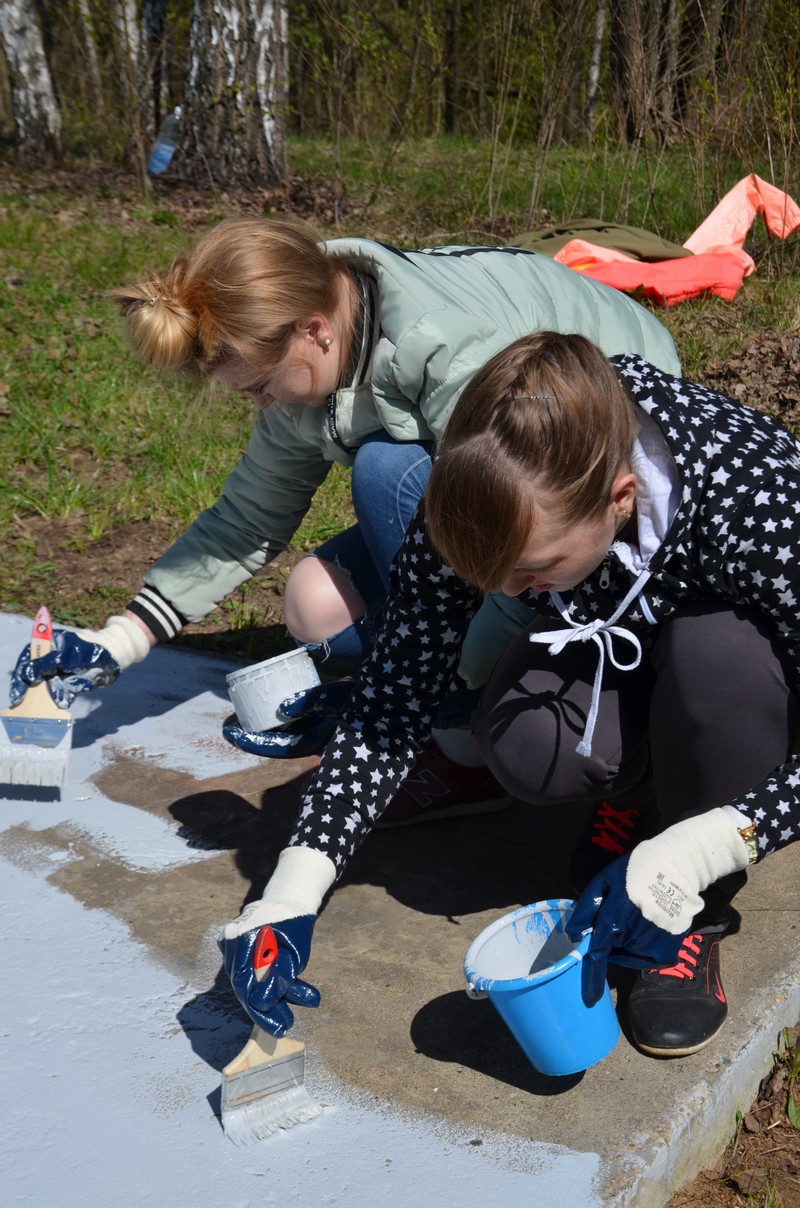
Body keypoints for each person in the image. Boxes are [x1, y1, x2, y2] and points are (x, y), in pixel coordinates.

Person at [220, 331, 800, 1060]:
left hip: (746, 672)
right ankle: (642, 798)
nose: (505, 595)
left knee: (718, 658)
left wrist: (709, 845)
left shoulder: (760, 506)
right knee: (527, 743)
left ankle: (689, 915)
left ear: (621, 498)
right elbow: (393, 699)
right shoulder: (480, 491)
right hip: (620, 640)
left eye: (533, 571)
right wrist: (291, 892)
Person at [9, 217, 680, 823]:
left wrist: (448, 677)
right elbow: (245, 520)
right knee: (315, 603)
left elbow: (523, 521)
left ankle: (481, 706)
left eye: (259, 387)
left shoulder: (444, 348)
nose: (260, 406)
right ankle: (456, 727)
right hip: (492, 476)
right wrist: (121, 639)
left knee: (386, 473)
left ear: (314, 330)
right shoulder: (308, 364)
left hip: (603, 447)